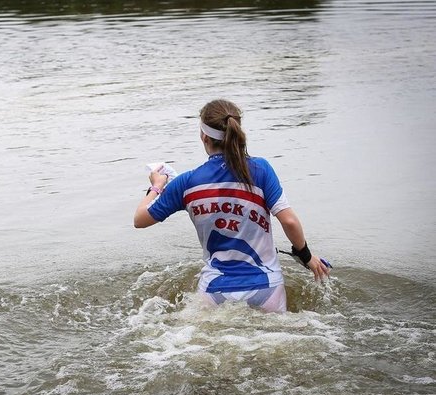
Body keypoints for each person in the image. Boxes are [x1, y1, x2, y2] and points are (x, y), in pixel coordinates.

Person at [133, 99, 330, 313]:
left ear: (203, 136)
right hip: (267, 287)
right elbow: (289, 221)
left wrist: (157, 186)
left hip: (213, 290)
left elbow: (140, 220)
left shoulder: (186, 183)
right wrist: (306, 257)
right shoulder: (260, 170)